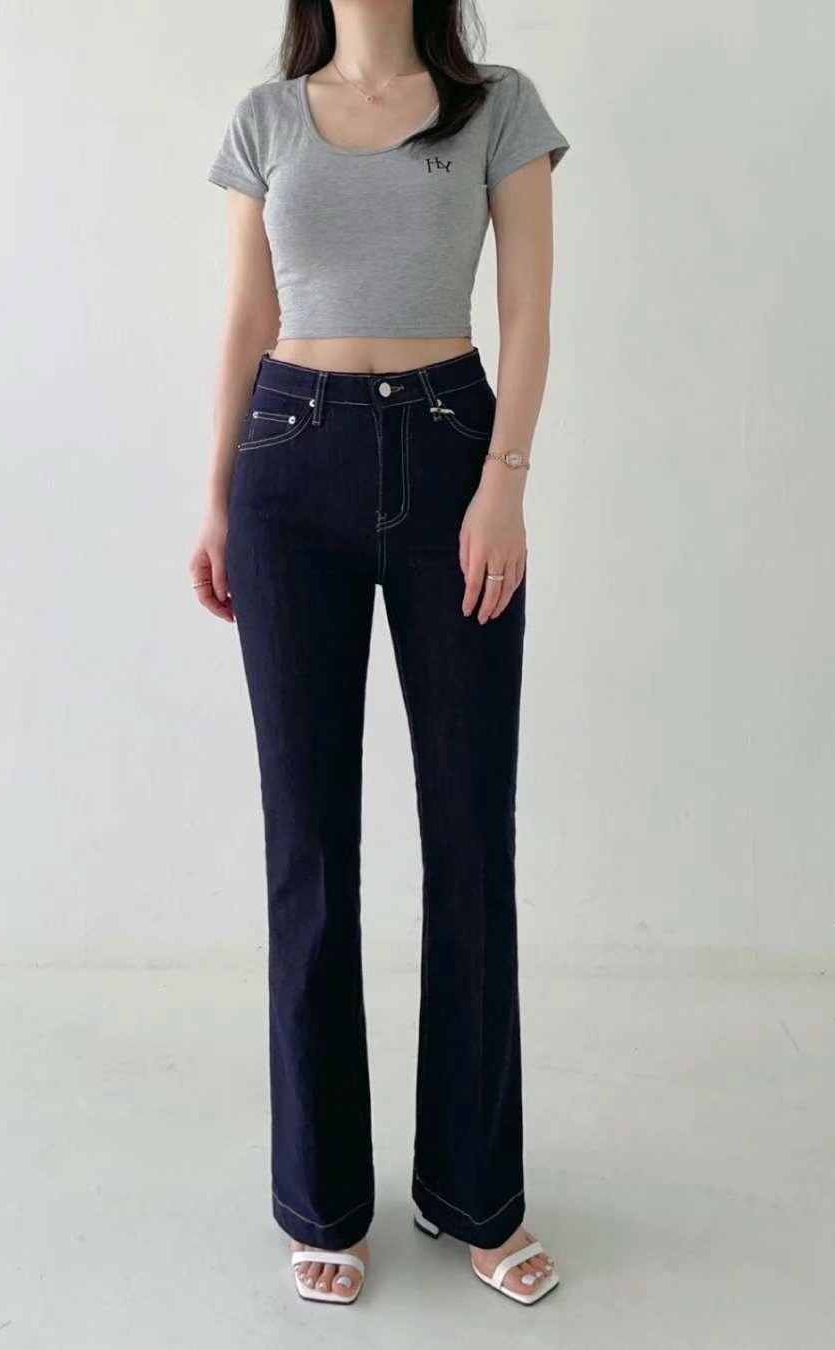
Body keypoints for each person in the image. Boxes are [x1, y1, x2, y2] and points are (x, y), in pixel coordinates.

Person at [191, 0, 569, 1309]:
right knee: (308, 843)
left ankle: (478, 1192)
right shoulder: (265, 119)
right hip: (288, 465)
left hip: (456, 451)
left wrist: (505, 485)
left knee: (470, 834)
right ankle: (322, 1198)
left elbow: (528, 308)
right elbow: (247, 318)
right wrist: (213, 500)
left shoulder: (496, 106)